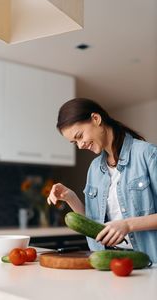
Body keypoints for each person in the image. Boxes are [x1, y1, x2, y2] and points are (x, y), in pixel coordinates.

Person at [47, 98, 157, 263]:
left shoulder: (147, 154)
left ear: (96, 119)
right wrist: (70, 197)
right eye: (74, 142)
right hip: (108, 262)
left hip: (149, 263)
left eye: (79, 136)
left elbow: (126, 224)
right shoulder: (94, 169)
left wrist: (127, 225)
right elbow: (93, 225)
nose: (80, 145)